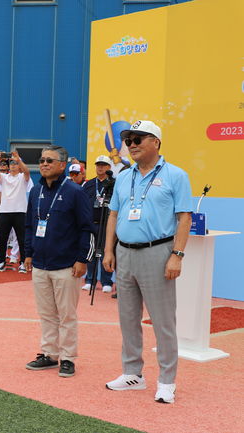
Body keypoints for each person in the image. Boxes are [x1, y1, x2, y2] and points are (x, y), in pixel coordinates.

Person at [103, 120, 192, 404]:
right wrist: (108, 251)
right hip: (125, 253)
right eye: (128, 139)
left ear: (156, 142)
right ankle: (133, 374)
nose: (131, 144)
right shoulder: (124, 177)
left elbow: (184, 218)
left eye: (138, 139)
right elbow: (114, 216)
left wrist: (176, 255)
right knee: (127, 318)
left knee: (163, 321)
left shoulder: (176, 175)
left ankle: (167, 381)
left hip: (158, 252)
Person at [24, 145, 94, 378]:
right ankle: (49, 354)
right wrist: (28, 253)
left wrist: (82, 259)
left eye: (49, 160)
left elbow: (87, 229)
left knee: (67, 315)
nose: (44, 164)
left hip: (66, 266)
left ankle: (68, 358)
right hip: (41, 264)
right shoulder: (35, 192)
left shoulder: (75, 192)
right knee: (46, 314)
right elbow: (29, 225)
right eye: (42, 160)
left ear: (62, 165)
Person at [0, 150, 32, 273]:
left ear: (19, 166)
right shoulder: (4, 178)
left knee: (22, 239)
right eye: (12, 164)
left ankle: (23, 264)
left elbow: (27, 172)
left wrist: (18, 158)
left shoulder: (22, 178)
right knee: (3, 239)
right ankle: (1, 262)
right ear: (9, 166)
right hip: (5, 212)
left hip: (20, 211)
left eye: (16, 164)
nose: (13, 165)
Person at [81, 155, 114, 293]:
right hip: (91, 223)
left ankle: (107, 281)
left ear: (109, 167)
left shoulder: (113, 184)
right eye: (98, 165)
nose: (100, 167)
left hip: (107, 224)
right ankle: (90, 280)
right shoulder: (88, 184)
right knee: (91, 253)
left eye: (103, 165)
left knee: (106, 251)